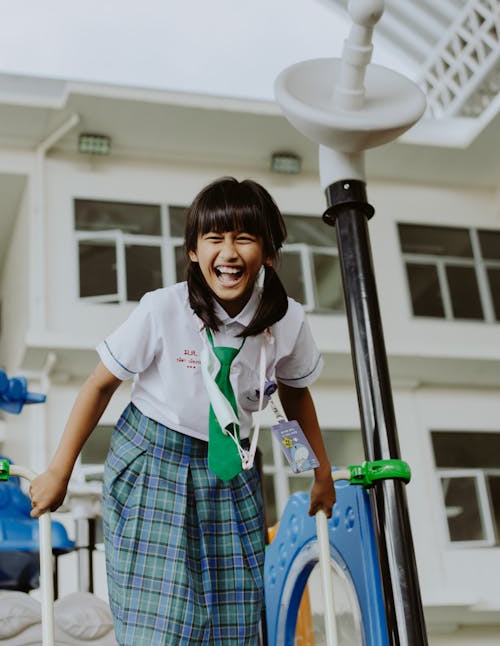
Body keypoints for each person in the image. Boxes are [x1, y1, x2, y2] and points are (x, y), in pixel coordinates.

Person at [29, 176, 335, 646]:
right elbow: (100, 384)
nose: (228, 253)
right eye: (214, 238)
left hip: (231, 467)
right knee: (163, 623)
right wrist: (58, 471)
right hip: (154, 459)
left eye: (244, 238)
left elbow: (294, 396)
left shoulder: (288, 320)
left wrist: (321, 474)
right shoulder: (163, 309)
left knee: (234, 619)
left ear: (269, 253)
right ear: (193, 251)